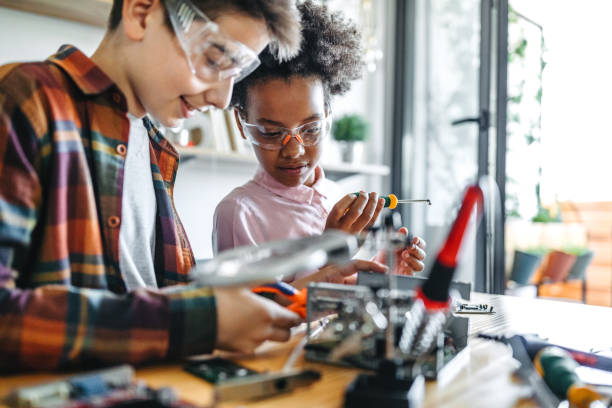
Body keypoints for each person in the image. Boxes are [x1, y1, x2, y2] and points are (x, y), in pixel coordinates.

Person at [0, 0, 303, 372]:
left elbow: (151, 297)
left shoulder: (158, 148)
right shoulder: (24, 99)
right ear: (141, 13)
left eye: (235, 74)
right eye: (213, 59)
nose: (222, 99)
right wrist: (196, 321)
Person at [213, 0, 426, 288]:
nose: (294, 150)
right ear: (241, 124)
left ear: (327, 117)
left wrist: (385, 271)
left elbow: (339, 302)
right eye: (272, 133)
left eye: (311, 129)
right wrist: (326, 258)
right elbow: (252, 317)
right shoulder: (239, 212)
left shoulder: (334, 196)